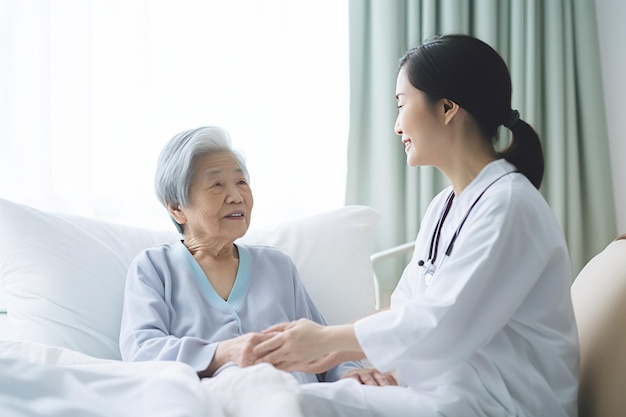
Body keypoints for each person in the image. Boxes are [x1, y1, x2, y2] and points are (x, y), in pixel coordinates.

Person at [253, 34, 580, 416]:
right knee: (269, 396)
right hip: (445, 396)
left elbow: (445, 325)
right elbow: (408, 308)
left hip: (501, 405)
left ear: (446, 108)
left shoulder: (509, 206)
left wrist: (326, 340)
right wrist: (354, 361)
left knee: (290, 404)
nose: (396, 126)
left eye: (401, 104)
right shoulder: (445, 205)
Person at [118, 126, 371, 384]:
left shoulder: (278, 267)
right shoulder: (154, 268)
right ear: (176, 207)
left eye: (241, 182)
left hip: (303, 400)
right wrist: (221, 353)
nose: (236, 196)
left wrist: (349, 372)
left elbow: (322, 344)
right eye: (216, 185)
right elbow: (142, 351)